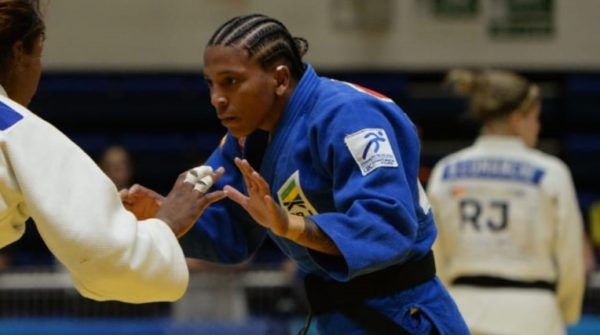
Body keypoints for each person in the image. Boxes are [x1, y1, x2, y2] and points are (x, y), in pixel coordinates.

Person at [122, 13, 468, 334]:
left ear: (280, 78)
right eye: (211, 84)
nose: (217, 99)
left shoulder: (350, 116)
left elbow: (387, 225)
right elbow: (230, 234)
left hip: (403, 314)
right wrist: (162, 215)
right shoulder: (247, 139)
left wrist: (290, 226)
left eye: (231, 82)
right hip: (336, 314)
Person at [0, 0, 225, 303]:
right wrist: (167, 223)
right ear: (20, 53)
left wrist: (102, 213)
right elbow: (110, 263)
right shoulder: (16, 130)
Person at [427, 69, 585, 335]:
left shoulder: (446, 171)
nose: (539, 126)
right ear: (516, 118)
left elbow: (433, 253)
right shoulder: (551, 173)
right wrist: (566, 311)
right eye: (535, 117)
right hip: (534, 316)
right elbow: (571, 257)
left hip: (464, 311)